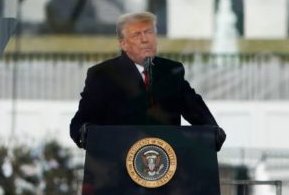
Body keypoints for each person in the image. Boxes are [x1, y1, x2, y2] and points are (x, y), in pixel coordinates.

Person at [69, 11, 226, 151]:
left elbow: (195, 108)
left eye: (149, 32)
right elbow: (80, 124)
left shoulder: (171, 71)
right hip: (118, 167)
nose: (145, 39)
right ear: (123, 44)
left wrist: (212, 131)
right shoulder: (102, 74)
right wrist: (86, 132)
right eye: (137, 35)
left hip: (166, 166)